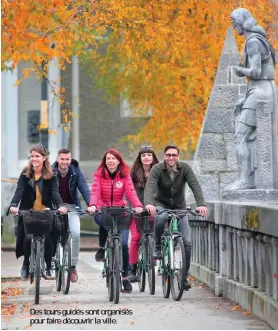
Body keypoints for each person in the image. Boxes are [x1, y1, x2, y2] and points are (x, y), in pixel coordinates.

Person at [144, 144, 208, 290]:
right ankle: (158, 248)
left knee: (187, 242)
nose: (171, 158)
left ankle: (183, 278)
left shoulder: (185, 168)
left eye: (174, 155)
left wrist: (201, 204)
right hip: (161, 204)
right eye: (168, 155)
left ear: (178, 156)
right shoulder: (157, 169)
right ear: (164, 156)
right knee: (160, 218)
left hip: (179, 207)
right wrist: (148, 204)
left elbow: (195, 185)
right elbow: (150, 187)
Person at [228, 8, 276, 190]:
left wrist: (240, 71)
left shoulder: (253, 42)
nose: (233, 26)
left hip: (260, 91)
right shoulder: (256, 40)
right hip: (259, 89)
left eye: (234, 22)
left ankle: (243, 181)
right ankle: (249, 179)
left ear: (241, 22)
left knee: (240, 136)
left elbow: (255, 72)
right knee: (247, 138)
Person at [8, 145, 68, 280]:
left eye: (37, 156)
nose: (34, 159)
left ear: (44, 158)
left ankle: (47, 266)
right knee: (28, 238)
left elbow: (54, 192)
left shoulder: (51, 174)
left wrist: (60, 205)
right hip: (28, 211)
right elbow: (19, 191)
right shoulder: (25, 173)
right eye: (32, 156)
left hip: (45, 212)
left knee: (47, 237)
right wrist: (13, 205)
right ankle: (26, 263)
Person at [87, 148, 143, 293]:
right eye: (108, 159)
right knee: (104, 222)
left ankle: (124, 276)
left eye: (113, 158)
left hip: (121, 211)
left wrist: (137, 206)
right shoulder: (99, 175)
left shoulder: (125, 176)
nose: (111, 161)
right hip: (103, 209)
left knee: (124, 244)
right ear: (105, 162)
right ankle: (101, 247)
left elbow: (131, 192)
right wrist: (93, 205)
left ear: (118, 160)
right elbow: (95, 191)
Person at [52, 148, 90, 282]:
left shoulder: (75, 171)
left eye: (67, 159)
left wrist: (91, 204)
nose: (65, 162)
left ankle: (72, 265)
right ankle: (52, 259)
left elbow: (84, 187)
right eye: (62, 159)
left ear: (70, 159)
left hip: (71, 206)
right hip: (54, 207)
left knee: (75, 233)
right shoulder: (50, 171)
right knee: (51, 233)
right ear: (57, 159)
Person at [128, 145, 159, 283]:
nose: (146, 158)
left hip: (153, 209)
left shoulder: (160, 172)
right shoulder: (133, 174)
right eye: (143, 155)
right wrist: (133, 207)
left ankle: (155, 254)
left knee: (156, 233)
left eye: (149, 155)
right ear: (140, 158)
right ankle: (133, 269)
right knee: (135, 238)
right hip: (137, 210)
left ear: (153, 157)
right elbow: (129, 192)